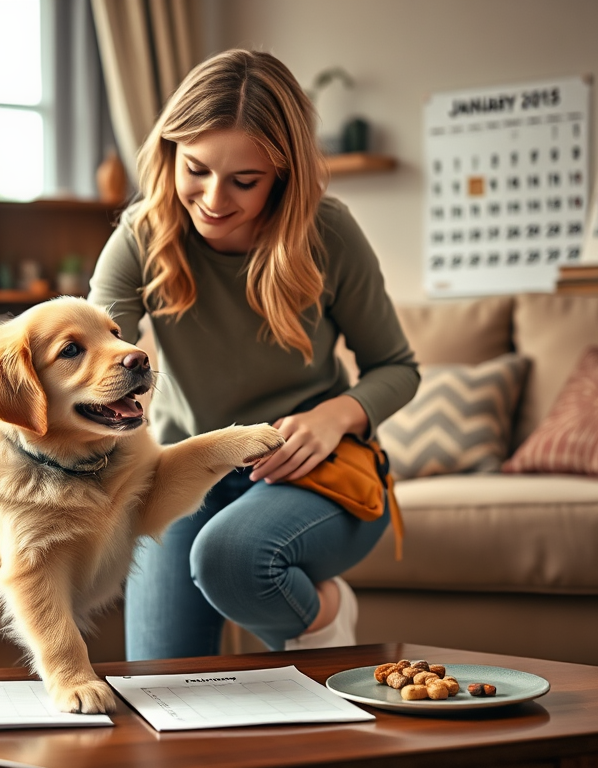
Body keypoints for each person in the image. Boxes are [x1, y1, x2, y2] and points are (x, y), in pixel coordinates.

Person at [87, 48, 419, 661]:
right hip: (190, 471)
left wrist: (334, 417)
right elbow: (92, 350)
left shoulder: (329, 233)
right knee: (157, 687)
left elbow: (397, 367)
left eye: (245, 181)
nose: (214, 199)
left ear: (283, 176)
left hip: (315, 473)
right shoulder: (141, 235)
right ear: (170, 152)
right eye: (197, 169)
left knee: (229, 557)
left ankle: (326, 612)